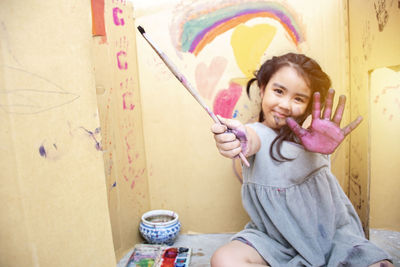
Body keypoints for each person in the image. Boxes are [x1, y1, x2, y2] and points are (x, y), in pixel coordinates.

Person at [210, 53, 393, 267]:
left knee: (380, 264)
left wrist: (321, 149)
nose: (285, 105)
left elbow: (315, 142)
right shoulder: (257, 132)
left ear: (309, 105)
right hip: (274, 240)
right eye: (278, 91)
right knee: (223, 259)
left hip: (330, 236)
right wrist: (237, 138)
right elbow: (249, 138)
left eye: (298, 98)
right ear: (262, 89)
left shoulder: (314, 137)